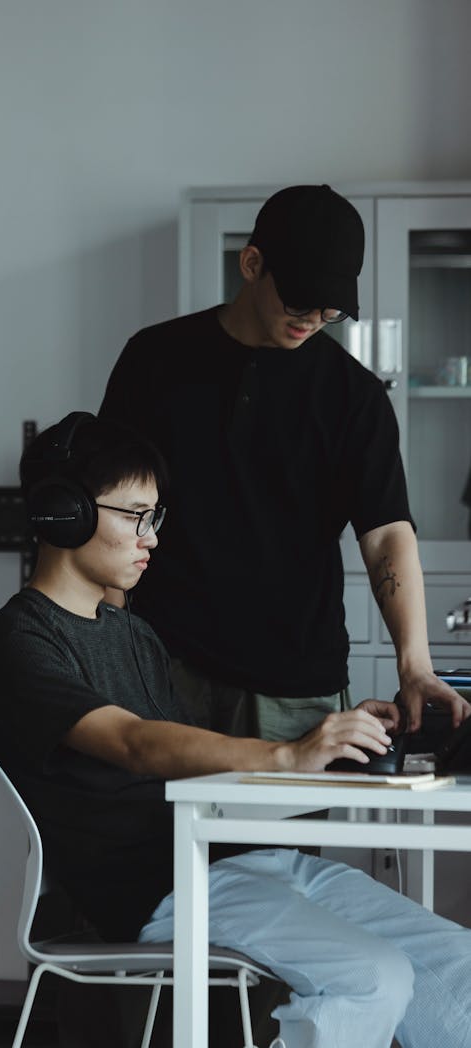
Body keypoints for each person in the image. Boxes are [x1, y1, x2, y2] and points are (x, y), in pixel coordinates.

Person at [0, 411, 471, 1048]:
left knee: (458, 965)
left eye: (156, 517)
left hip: (226, 860)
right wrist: (291, 754)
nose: (150, 536)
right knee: (371, 978)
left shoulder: (132, 633)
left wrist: (334, 741)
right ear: (62, 513)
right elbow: (136, 744)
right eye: (134, 515)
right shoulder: (20, 641)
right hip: (154, 890)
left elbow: (201, 758)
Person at [98, 183, 470, 742]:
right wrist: (109, 638)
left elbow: (387, 533)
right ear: (252, 264)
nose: (313, 320)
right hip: (164, 665)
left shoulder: (355, 398)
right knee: (155, 830)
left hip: (295, 685)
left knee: (278, 833)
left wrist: (414, 666)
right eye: (300, 301)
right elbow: (110, 504)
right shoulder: (155, 360)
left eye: (331, 309)